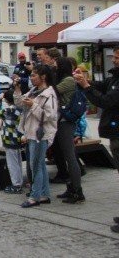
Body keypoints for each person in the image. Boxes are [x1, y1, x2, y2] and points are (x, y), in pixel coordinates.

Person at [75, 46, 119, 231]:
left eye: (117, 57)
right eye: (114, 57)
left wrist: (86, 86)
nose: (114, 60)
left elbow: (106, 101)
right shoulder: (114, 77)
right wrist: (84, 81)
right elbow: (101, 86)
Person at [16, 64, 58, 208]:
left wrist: (33, 105)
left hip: (41, 135)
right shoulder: (33, 91)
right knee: (40, 165)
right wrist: (17, 89)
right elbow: (18, 103)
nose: (31, 78)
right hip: (31, 132)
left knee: (36, 166)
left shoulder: (49, 94)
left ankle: (35, 197)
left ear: (43, 77)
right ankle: (44, 194)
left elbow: (50, 116)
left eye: (34, 75)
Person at [50, 57, 84, 203]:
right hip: (61, 120)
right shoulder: (63, 79)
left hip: (66, 122)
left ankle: (77, 191)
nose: (54, 68)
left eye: (56, 66)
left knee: (70, 156)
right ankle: (71, 188)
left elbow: (53, 91)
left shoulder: (69, 80)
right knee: (66, 155)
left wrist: (49, 75)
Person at [0, 89, 23, 194]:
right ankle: (19, 182)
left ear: (6, 99)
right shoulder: (20, 109)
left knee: (12, 163)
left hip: (9, 139)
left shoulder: (8, 110)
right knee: (18, 162)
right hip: (19, 139)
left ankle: (16, 185)